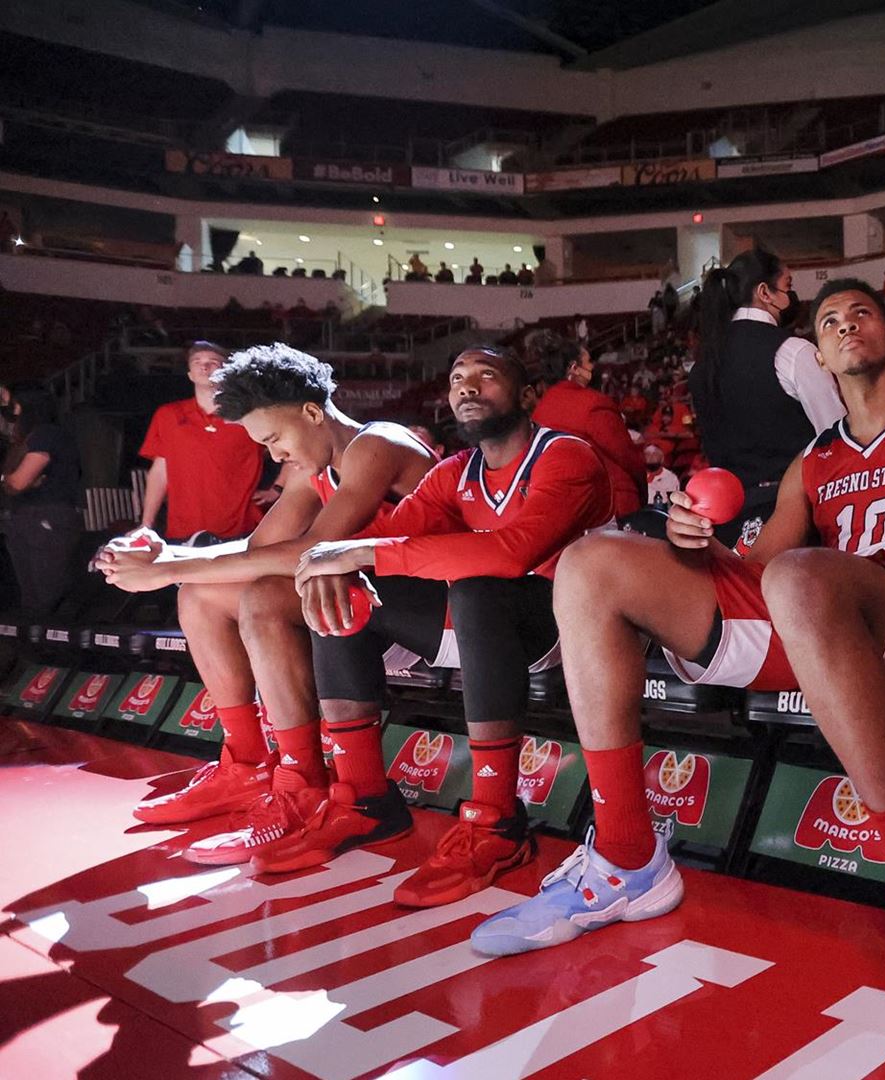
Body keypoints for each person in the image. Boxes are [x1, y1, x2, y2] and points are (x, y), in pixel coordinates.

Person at [471, 279, 885, 1052]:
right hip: (818, 623)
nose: (844, 325)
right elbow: (760, 568)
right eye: (828, 320)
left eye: (860, 312)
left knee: (802, 576)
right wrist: (691, 545)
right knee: (591, 564)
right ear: (818, 352)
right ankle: (629, 856)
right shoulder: (816, 458)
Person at [283, 345, 616, 897]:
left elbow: (514, 554)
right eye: (458, 378)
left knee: (481, 583)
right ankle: (365, 798)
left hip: (578, 629)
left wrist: (361, 555)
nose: (467, 387)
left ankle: (497, 820)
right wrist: (336, 565)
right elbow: (394, 538)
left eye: (487, 376)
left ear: (528, 396)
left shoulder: (566, 455)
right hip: (488, 629)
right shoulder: (455, 472)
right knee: (341, 586)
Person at [98, 345, 438, 840]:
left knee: (262, 596)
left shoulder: (377, 443)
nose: (275, 456)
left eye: (276, 438)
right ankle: (248, 764)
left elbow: (319, 548)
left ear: (312, 411)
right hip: (360, 610)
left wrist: (167, 569)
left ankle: (301, 785)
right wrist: (163, 559)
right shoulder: (315, 467)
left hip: (435, 615)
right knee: (198, 595)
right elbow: (261, 548)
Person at [690, 247, 846, 548]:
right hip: (792, 516)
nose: (791, 296)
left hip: (726, 518)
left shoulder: (701, 366)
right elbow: (834, 437)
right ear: (765, 292)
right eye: (787, 286)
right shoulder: (793, 351)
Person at [139, 342, 268, 542]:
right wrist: (146, 525)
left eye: (213, 362)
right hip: (182, 531)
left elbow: (290, 448)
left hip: (241, 531)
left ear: (227, 372)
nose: (204, 367)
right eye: (197, 362)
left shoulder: (249, 415)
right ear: (190, 373)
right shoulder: (169, 415)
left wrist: (277, 489)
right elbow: (160, 470)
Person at [525, 330, 646, 518]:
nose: (592, 366)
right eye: (589, 361)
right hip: (609, 506)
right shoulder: (594, 403)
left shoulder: (540, 410)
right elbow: (626, 456)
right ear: (574, 368)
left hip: (564, 508)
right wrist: (642, 494)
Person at [2, 385, 82, 613]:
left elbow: (18, 482)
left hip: (46, 517)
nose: (12, 411)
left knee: (46, 591)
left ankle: (54, 641)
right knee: (32, 593)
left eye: (15, 404)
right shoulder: (33, 437)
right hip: (30, 517)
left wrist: (9, 479)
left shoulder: (45, 434)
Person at [641, 443, 681, 507]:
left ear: (662, 458)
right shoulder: (638, 475)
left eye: (654, 454)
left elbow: (673, 503)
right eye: (647, 454)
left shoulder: (670, 477)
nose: (651, 457)